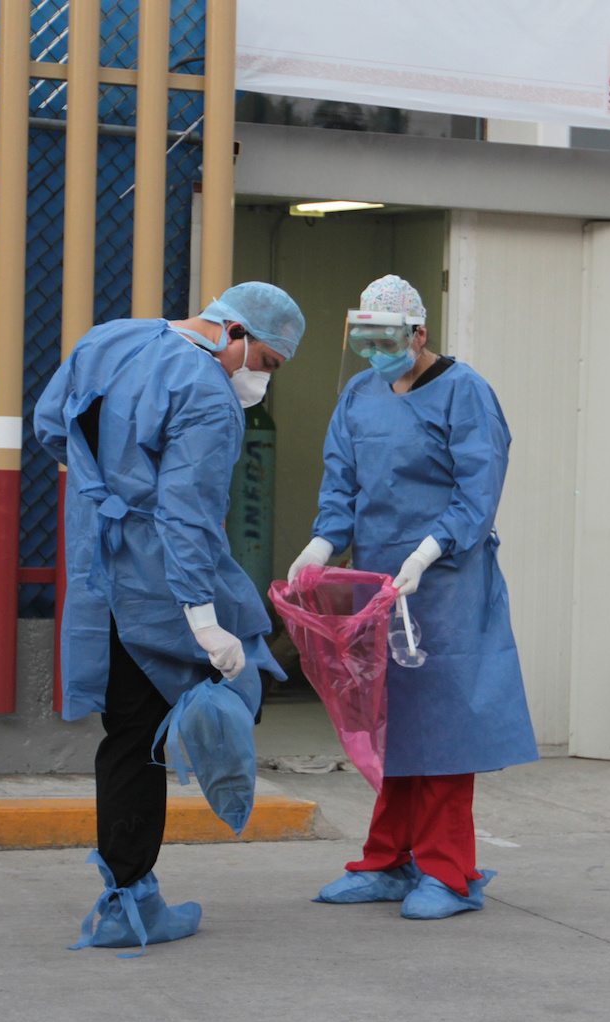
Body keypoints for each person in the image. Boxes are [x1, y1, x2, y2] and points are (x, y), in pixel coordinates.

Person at [34, 282, 306, 951]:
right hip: (157, 580)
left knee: (125, 733)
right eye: (266, 363)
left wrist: (107, 486)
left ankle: (130, 894)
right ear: (235, 332)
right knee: (166, 723)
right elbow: (187, 515)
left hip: (97, 563)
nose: (260, 381)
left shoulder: (111, 338)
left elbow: (49, 425)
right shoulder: (208, 396)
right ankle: (130, 904)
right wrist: (203, 618)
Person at [287, 275, 537, 921]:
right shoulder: (358, 394)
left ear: (419, 334)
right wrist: (322, 542)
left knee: (443, 729)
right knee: (388, 724)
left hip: (447, 584)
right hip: (376, 584)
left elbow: (477, 490)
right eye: (364, 343)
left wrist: (428, 552)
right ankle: (388, 861)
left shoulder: (464, 392)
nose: (375, 355)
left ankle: (448, 873)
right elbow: (342, 478)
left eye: (387, 342)